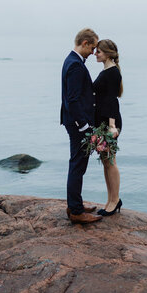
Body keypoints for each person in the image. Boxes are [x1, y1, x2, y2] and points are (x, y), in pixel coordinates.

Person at [61, 28, 103, 224]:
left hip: (73, 122)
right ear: (85, 43)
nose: (93, 52)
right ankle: (76, 211)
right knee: (78, 166)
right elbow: (73, 100)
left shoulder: (71, 60)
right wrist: (84, 126)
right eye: (93, 47)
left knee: (77, 164)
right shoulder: (76, 65)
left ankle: (74, 204)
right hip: (77, 124)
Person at [93, 39, 123, 216]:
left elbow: (112, 99)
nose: (95, 54)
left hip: (108, 123)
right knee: (106, 161)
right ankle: (110, 199)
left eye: (98, 51)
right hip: (101, 122)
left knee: (110, 161)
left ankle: (115, 200)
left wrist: (112, 126)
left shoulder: (112, 72)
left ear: (107, 53)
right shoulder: (106, 70)